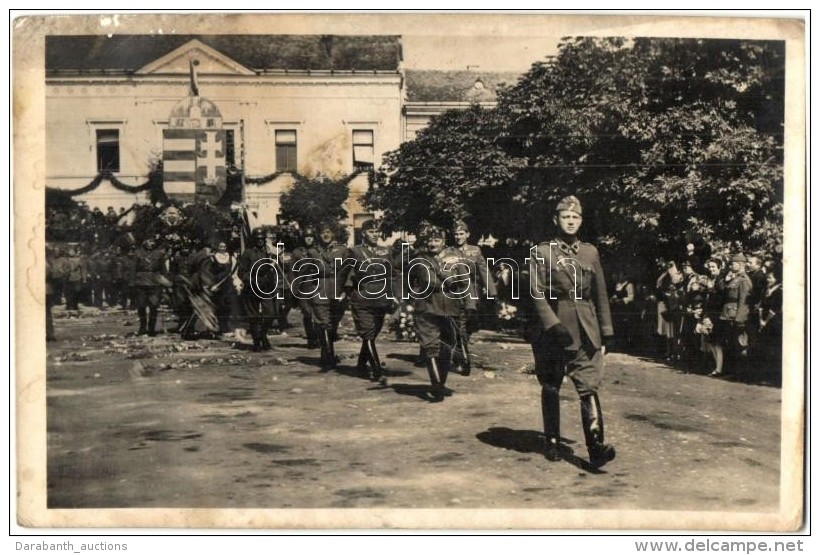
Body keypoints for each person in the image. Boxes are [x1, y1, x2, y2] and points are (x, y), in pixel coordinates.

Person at [527, 195, 616, 467]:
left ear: (581, 221)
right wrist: (552, 325)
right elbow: (535, 292)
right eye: (565, 217)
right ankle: (552, 440)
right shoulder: (541, 252)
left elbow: (600, 293)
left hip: (586, 327)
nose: (570, 221)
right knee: (552, 383)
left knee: (588, 384)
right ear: (556, 220)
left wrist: (606, 330)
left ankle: (596, 446)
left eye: (575, 217)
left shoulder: (590, 252)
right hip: (553, 328)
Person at [405, 225, 465, 401]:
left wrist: (470, 306)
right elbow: (407, 280)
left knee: (448, 345)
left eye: (436, 240)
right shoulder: (418, 259)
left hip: (450, 306)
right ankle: (436, 386)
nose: (432, 243)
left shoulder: (455, 257)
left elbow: (464, 282)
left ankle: (441, 383)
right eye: (429, 240)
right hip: (427, 306)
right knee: (430, 346)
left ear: (443, 242)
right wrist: (409, 301)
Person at [343, 219, 398, 386]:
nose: (375, 234)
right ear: (364, 233)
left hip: (381, 298)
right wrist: (343, 292)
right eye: (371, 231)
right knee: (367, 333)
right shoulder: (354, 251)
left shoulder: (385, 251)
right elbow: (346, 272)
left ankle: (361, 364)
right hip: (362, 297)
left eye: (377, 231)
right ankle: (377, 372)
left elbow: (392, 274)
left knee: (373, 333)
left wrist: (394, 294)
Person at [444, 220, 497, 375]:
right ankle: (465, 361)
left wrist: (492, 291)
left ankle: (458, 352)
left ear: (467, 234)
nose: (458, 237)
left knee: (470, 326)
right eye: (456, 234)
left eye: (461, 234)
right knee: (460, 326)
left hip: (472, 294)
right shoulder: (447, 252)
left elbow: (483, 271)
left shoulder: (475, 251)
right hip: (453, 293)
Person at [303, 223, 349, 370]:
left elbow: (348, 271)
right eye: (323, 233)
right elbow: (306, 274)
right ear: (319, 235)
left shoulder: (342, 250)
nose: (326, 235)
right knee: (323, 323)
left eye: (328, 232)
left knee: (333, 324)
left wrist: (346, 290)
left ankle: (327, 354)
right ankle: (328, 357)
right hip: (320, 289)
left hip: (337, 289)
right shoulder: (312, 252)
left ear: (333, 233)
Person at [237, 228, 277, 352]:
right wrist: (252, 279)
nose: (260, 241)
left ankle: (263, 335)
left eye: (262, 239)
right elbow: (241, 272)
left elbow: (278, 266)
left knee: (270, 314)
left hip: (266, 287)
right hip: (252, 287)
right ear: (254, 240)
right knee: (253, 316)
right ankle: (257, 341)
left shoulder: (269, 252)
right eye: (257, 239)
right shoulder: (248, 253)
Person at [719, 253, 753, 374]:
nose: (730, 266)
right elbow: (723, 290)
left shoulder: (744, 280)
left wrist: (740, 318)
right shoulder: (734, 278)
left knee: (736, 344)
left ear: (740, 264)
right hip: (727, 314)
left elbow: (743, 300)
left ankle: (737, 372)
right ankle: (729, 371)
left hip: (734, 316)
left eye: (733, 263)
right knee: (728, 343)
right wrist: (726, 279)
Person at [131, 237, 169, 336]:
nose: (152, 243)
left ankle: (152, 329)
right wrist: (132, 284)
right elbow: (133, 269)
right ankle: (142, 327)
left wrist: (166, 283)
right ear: (144, 242)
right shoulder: (137, 253)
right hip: (141, 282)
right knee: (141, 306)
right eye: (149, 241)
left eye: (153, 241)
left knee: (154, 306)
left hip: (155, 283)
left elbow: (163, 270)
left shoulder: (159, 254)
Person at [291, 227, 319, 349]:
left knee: (317, 313)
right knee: (307, 313)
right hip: (303, 286)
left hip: (317, 284)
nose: (309, 239)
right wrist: (293, 288)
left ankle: (318, 338)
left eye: (311, 237)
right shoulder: (297, 252)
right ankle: (311, 339)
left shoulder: (318, 250)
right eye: (307, 237)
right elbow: (293, 272)